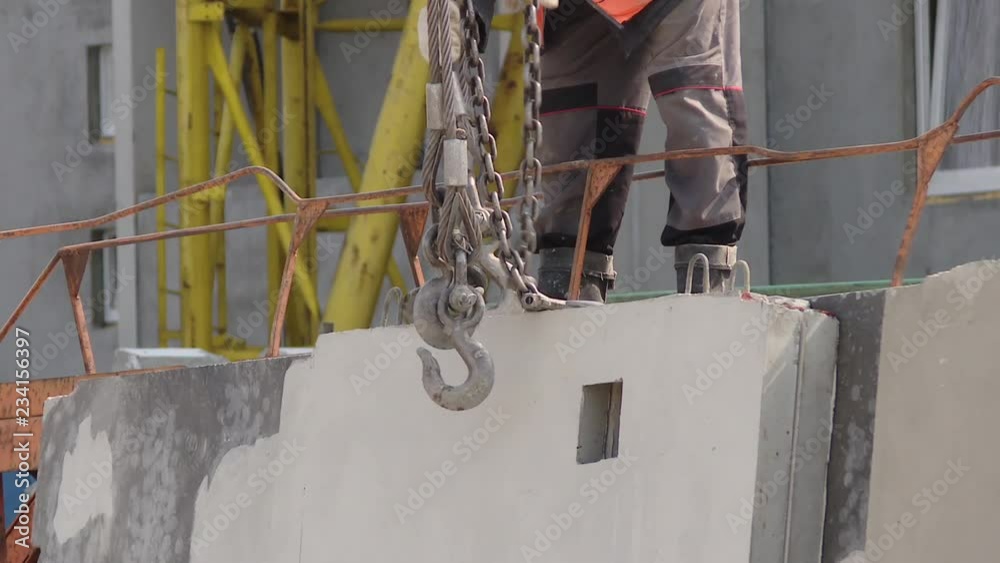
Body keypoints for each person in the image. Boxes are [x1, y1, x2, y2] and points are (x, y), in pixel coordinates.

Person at [472, 0, 747, 301]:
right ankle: (571, 293)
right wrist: (470, 14)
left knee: (699, 124)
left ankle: (706, 294)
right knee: (573, 154)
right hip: (574, 11)